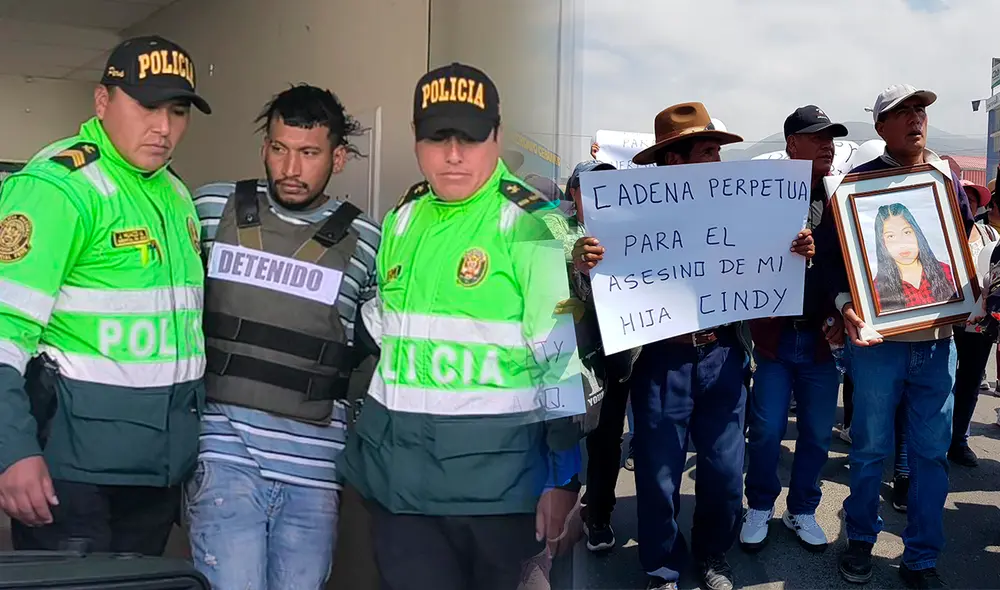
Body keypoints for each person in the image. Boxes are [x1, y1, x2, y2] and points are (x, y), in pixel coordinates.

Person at [338, 62, 582, 590]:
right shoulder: (403, 221)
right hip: (400, 489)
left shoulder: (530, 222)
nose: (452, 155)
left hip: (495, 494)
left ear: (496, 136)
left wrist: (566, 476)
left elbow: (557, 358)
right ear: (415, 140)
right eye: (437, 138)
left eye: (469, 138)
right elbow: (386, 334)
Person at [573, 102, 815, 590]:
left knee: (726, 473)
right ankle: (661, 564)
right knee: (658, 476)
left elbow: (770, 268)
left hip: (724, 355)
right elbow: (593, 293)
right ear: (675, 164)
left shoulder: (742, 208)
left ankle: (711, 556)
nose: (719, 165)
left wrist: (797, 254)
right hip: (661, 359)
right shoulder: (626, 216)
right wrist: (584, 267)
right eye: (709, 152)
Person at [0, 35, 210, 554]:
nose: (163, 128)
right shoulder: (58, 189)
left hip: (155, 471)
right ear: (102, 102)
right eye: (147, 107)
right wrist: (12, 451)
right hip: (71, 473)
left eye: (177, 111)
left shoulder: (174, 193)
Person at [184, 85, 381, 589]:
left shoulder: (368, 243)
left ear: (337, 158)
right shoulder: (211, 208)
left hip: (314, 470)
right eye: (279, 149)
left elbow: (379, 354)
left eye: (309, 153)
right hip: (224, 460)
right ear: (264, 149)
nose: (291, 168)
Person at [814, 84, 975, 589]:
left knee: (930, 455)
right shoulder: (853, 188)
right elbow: (831, 270)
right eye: (900, 113)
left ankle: (922, 558)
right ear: (880, 127)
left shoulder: (945, 180)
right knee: (868, 449)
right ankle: (860, 540)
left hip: (937, 344)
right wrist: (848, 309)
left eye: (921, 110)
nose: (915, 119)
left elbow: (960, 246)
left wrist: (966, 296)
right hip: (878, 350)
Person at [741, 106, 846, 554]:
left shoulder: (843, 199)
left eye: (832, 138)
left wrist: (843, 311)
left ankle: (801, 508)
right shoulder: (761, 196)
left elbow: (851, 269)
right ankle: (760, 505)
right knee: (765, 431)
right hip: (774, 341)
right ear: (791, 145)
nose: (828, 145)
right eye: (817, 136)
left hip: (824, 342)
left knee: (818, 434)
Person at [872, 203, 957, 312]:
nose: (902, 243)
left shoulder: (946, 272)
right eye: (891, 236)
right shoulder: (877, 290)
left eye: (907, 232)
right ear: (882, 243)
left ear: (917, 233)